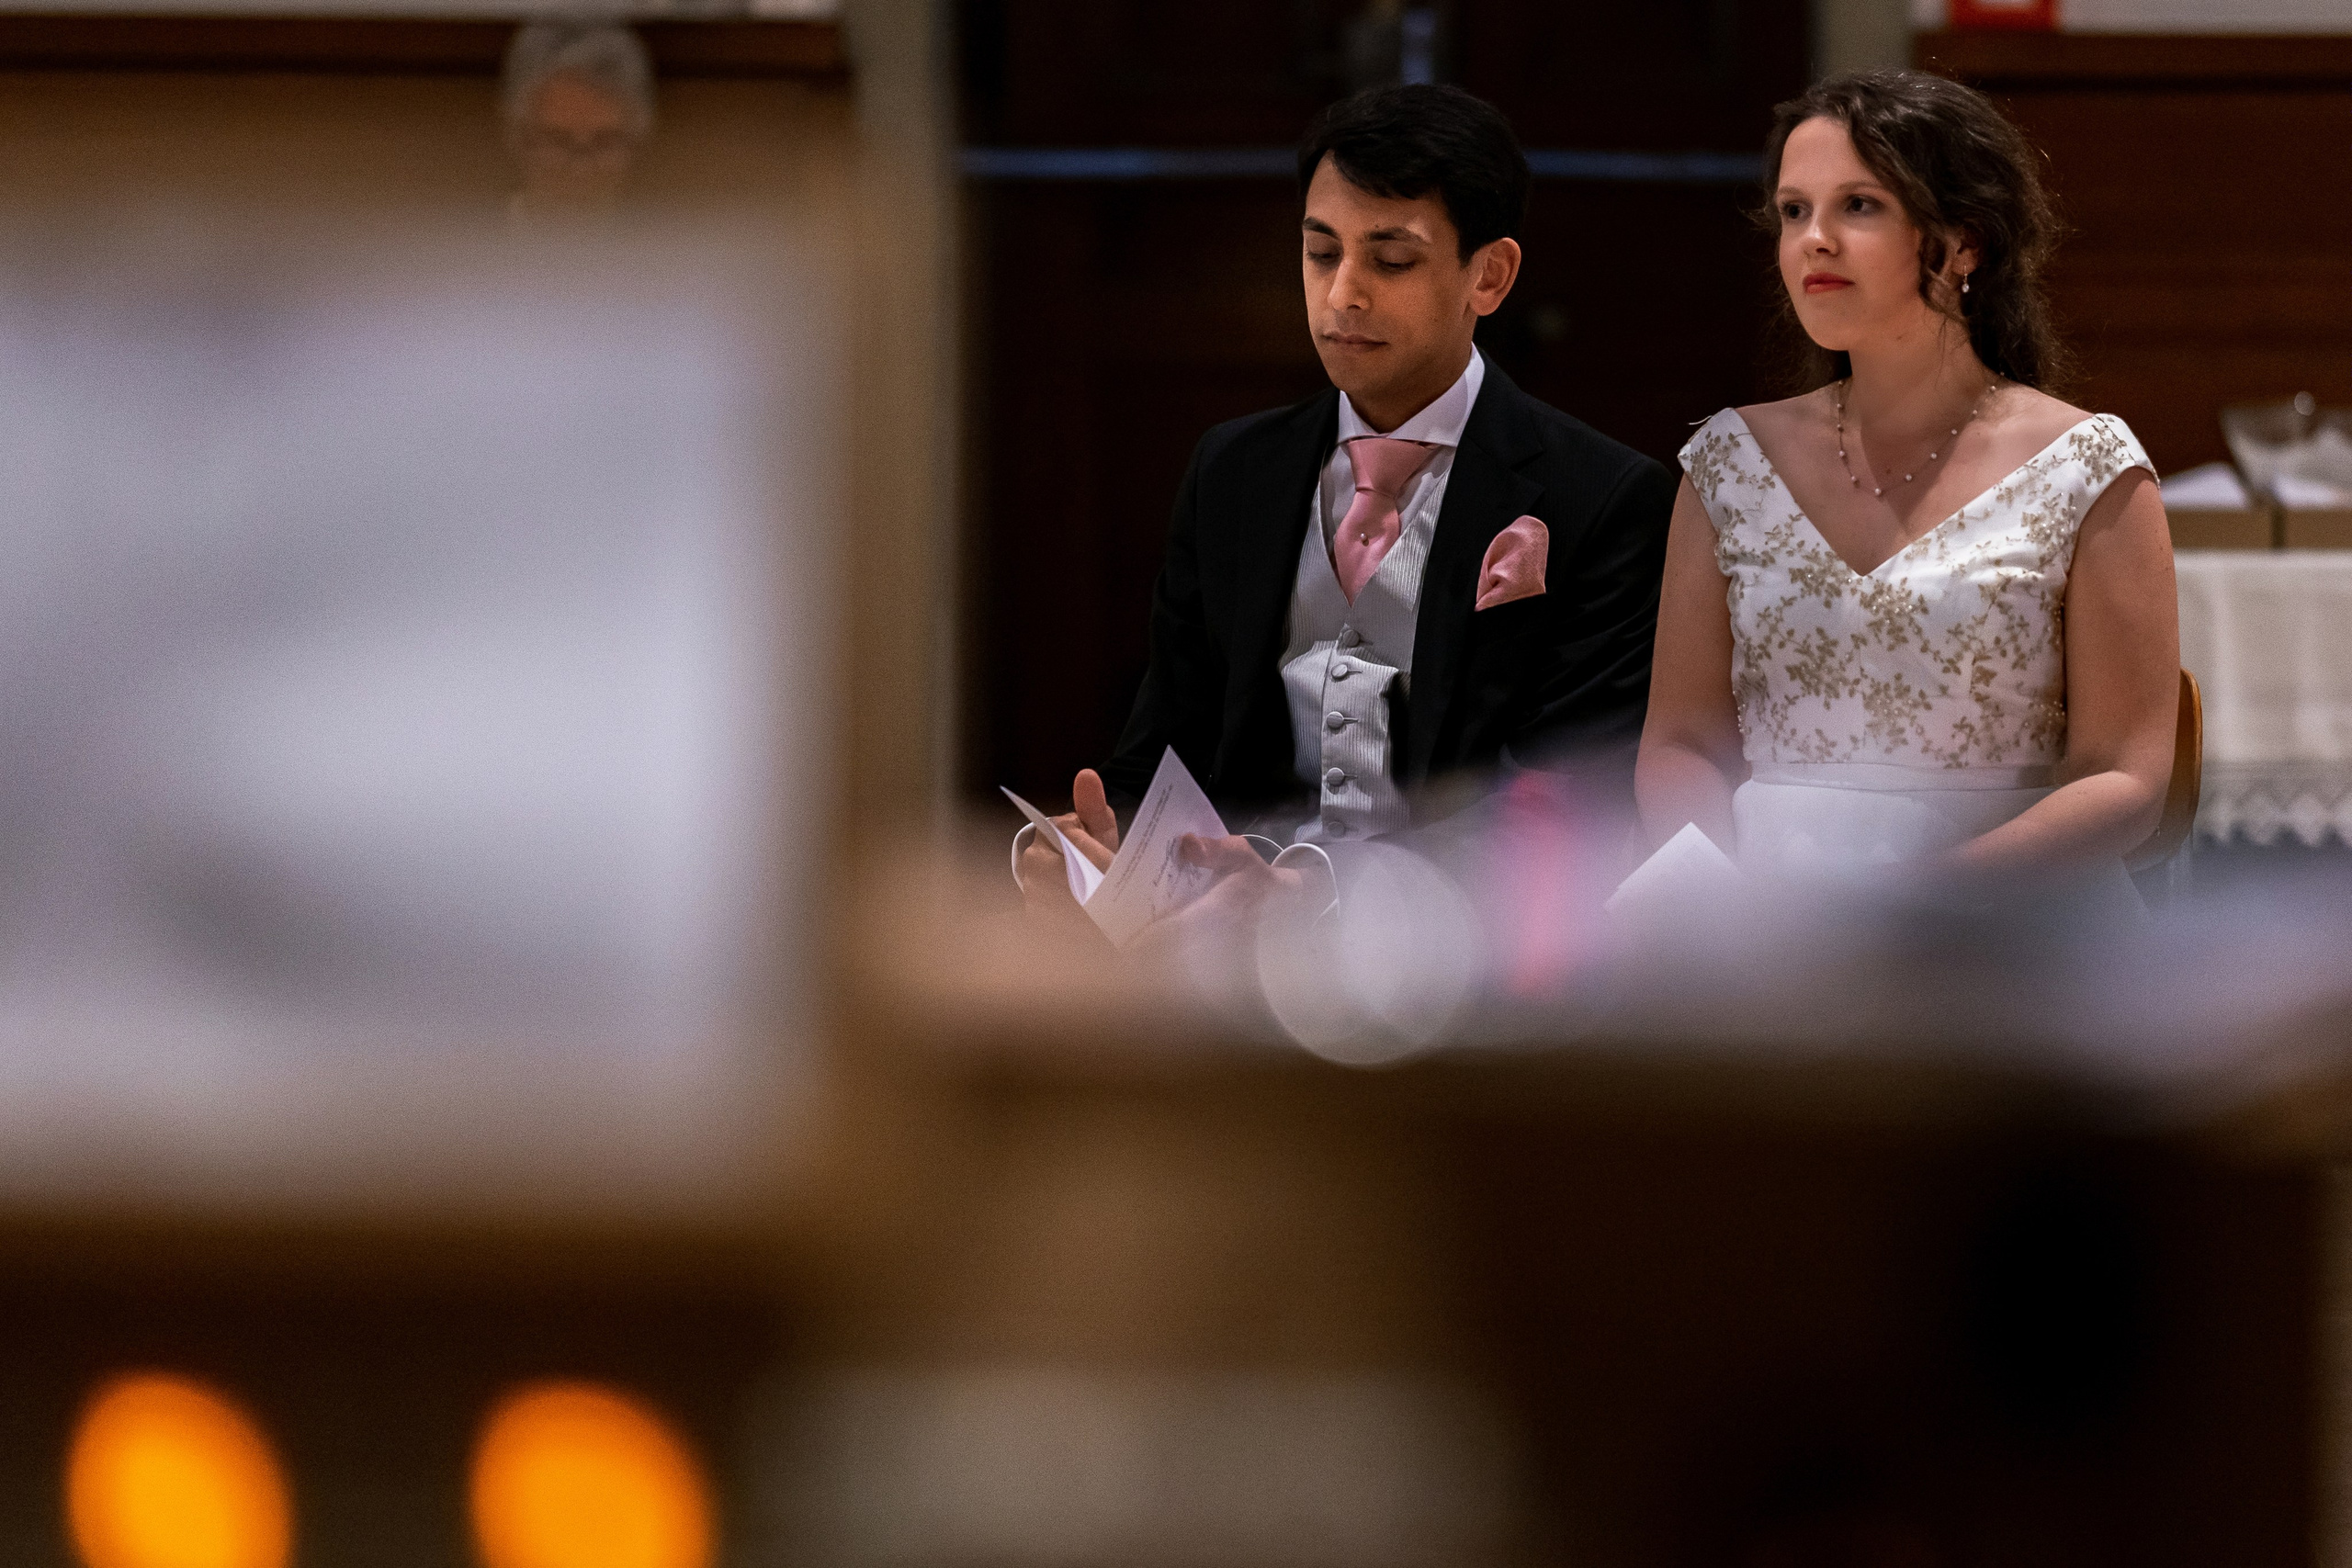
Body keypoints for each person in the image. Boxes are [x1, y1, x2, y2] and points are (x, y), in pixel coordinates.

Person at [1018, 84, 1676, 923]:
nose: (1342, 296)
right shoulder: (1233, 470)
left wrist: (1329, 889)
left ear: (1491, 275)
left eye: (1390, 259)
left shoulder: (1604, 497)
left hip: (1462, 954)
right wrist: (1093, 845)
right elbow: (1166, 749)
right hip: (1223, 933)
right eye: (1322, 253)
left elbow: (1557, 809)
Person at [1627, 70, 2177, 900]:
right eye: (1793, 210)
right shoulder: (1729, 460)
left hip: (2006, 918)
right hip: (1760, 920)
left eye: (1859, 205)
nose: (1814, 238)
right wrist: (1727, 904)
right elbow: (1681, 743)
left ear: (1965, 241)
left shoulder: (2089, 468)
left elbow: (2124, 777)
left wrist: (1915, 907)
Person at [501, 20, 656, 227]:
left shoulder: (677, 249)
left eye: (604, 143)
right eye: (560, 141)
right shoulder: (467, 244)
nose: (581, 170)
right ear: (517, 138)